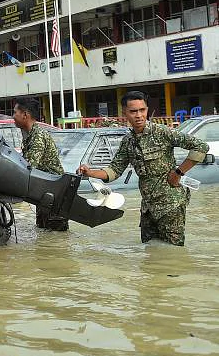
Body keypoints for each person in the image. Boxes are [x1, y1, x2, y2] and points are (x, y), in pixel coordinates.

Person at [78, 90, 208, 246]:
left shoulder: (162, 132)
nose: (139, 115)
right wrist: (90, 172)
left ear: (147, 109)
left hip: (171, 204)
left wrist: (178, 172)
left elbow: (201, 146)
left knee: (173, 254)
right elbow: (114, 170)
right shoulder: (128, 141)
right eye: (133, 111)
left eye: (142, 110)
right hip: (148, 208)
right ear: (125, 113)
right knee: (150, 252)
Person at [13, 97, 66, 231]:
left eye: (15, 113)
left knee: (55, 240)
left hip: (54, 196)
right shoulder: (30, 136)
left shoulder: (38, 136)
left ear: (25, 115)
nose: (13, 117)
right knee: (44, 235)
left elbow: (27, 168)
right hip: (45, 194)